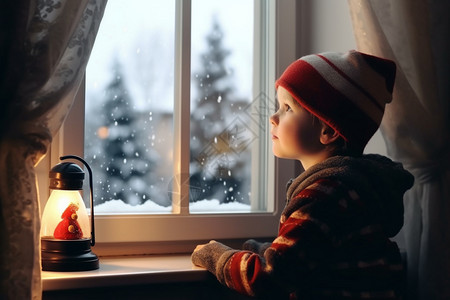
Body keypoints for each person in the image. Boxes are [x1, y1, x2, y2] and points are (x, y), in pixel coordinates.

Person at [191, 50, 414, 299]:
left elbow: (270, 278)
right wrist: (260, 249)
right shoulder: (350, 189)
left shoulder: (324, 196)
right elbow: (312, 253)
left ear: (328, 130)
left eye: (287, 108)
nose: (273, 117)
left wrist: (217, 257)